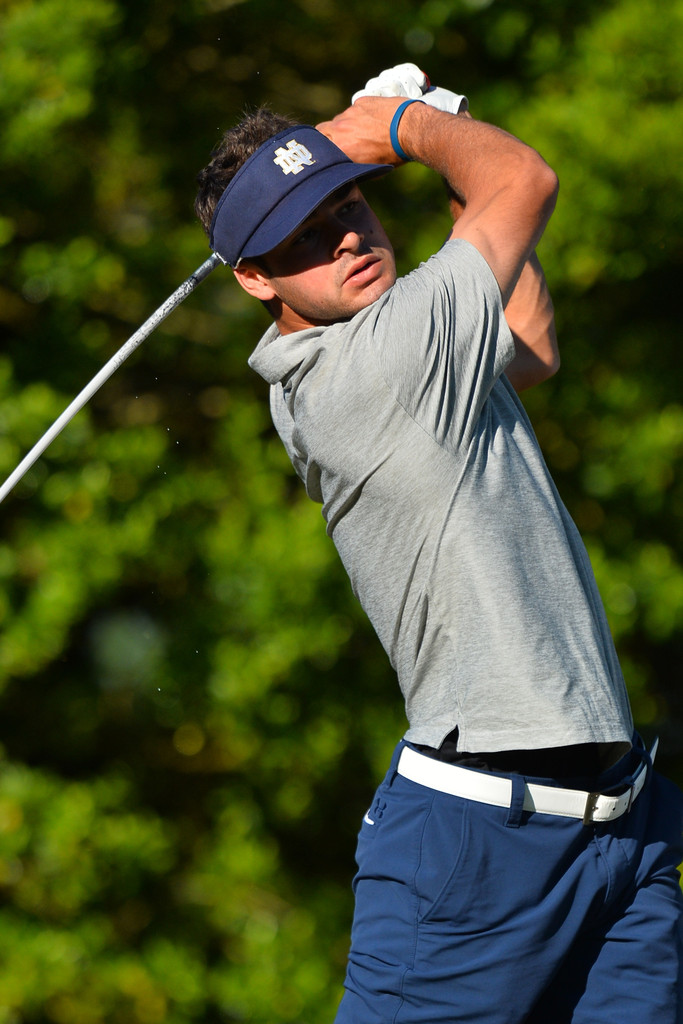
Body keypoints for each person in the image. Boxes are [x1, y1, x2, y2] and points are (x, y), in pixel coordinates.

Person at [195, 66, 683, 1023]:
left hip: (621, 826)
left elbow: (529, 341)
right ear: (255, 279)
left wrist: (442, 150)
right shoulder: (375, 368)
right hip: (477, 849)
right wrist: (408, 126)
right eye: (303, 238)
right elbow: (525, 181)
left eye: (347, 207)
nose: (345, 238)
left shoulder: (402, 335)